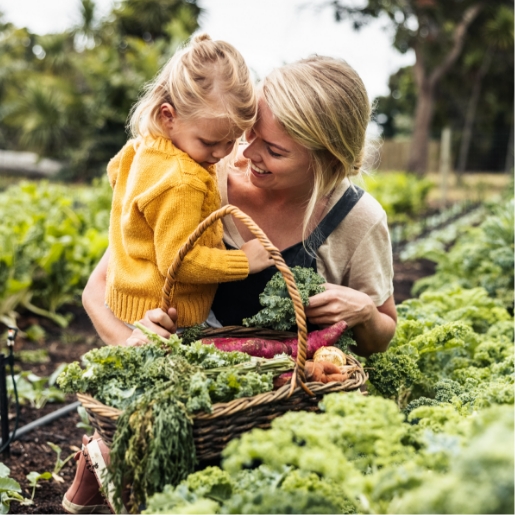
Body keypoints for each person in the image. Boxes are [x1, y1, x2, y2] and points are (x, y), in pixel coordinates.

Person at [64, 54, 397, 513]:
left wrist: (362, 311)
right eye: (249, 133)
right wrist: (133, 344)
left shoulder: (358, 220)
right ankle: (107, 455)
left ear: (328, 158)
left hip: (288, 406)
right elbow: (97, 290)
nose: (244, 153)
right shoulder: (199, 172)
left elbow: (383, 332)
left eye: (274, 151)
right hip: (201, 415)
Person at [102, 32, 273, 332]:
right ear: (169, 117)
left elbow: (116, 173)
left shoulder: (141, 147)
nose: (221, 154)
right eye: (209, 142)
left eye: (231, 140)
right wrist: (244, 261)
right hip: (167, 314)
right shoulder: (184, 180)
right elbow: (178, 262)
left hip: (131, 300)